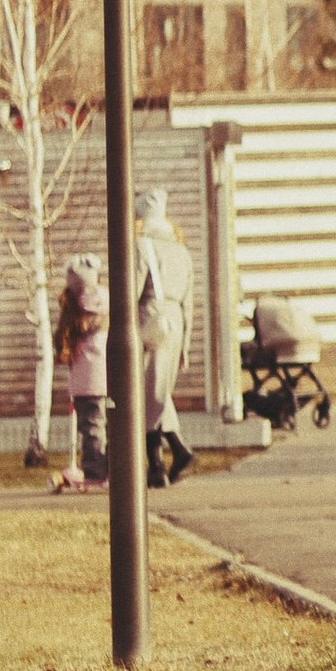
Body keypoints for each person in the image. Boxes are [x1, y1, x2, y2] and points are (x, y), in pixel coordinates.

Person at [134, 186, 195, 488]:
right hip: (177, 321)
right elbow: (190, 301)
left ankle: (156, 466)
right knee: (156, 391)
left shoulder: (143, 246)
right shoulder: (181, 250)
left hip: (151, 318)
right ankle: (177, 449)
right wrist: (185, 346)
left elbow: (133, 288)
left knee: (147, 393)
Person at [52, 253, 109, 491]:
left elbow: (62, 342)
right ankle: (107, 468)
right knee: (103, 425)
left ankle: (95, 472)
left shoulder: (75, 311)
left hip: (87, 381)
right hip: (107, 377)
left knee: (91, 427)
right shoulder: (107, 305)